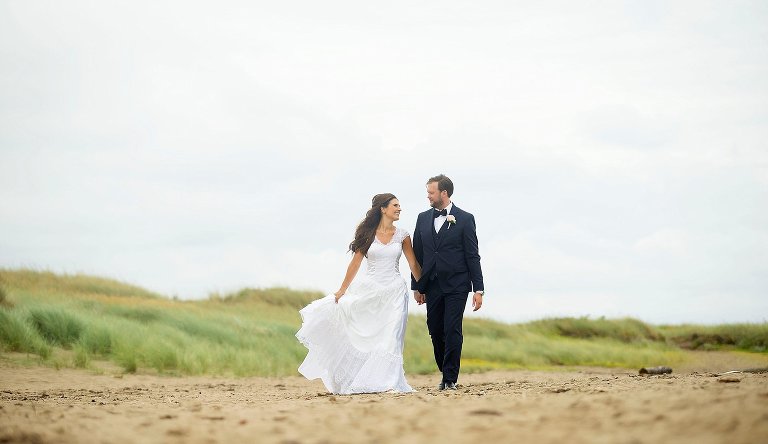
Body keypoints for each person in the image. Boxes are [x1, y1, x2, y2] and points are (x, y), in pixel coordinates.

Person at [296, 193, 422, 394]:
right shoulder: (368, 234)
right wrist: (342, 289)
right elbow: (355, 263)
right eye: (395, 205)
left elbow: (413, 263)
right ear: (383, 208)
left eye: (399, 206)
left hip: (395, 292)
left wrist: (421, 287)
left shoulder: (403, 235)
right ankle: (367, 378)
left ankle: (390, 382)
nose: (399, 209)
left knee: (391, 336)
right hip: (370, 291)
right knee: (368, 335)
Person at [411, 174, 484, 390]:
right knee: (434, 329)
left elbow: (472, 255)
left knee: (452, 328)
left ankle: (450, 378)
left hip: (457, 285)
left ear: (444, 193)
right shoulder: (422, 218)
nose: (428, 196)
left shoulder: (465, 218)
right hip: (431, 285)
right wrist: (417, 286)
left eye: (431, 192)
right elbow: (418, 255)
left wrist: (478, 288)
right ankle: (445, 369)